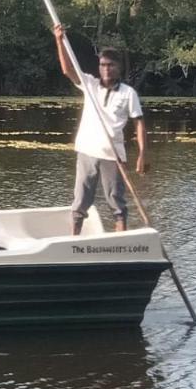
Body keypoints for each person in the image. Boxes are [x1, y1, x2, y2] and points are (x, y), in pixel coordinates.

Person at [53, 23, 146, 235]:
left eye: (111, 65)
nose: (106, 68)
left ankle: (120, 239)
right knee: (81, 200)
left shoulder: (128, 93)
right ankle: (74, 240)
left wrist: (141, 154)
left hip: (112, 155)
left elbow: (139, 123)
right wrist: (59, 40)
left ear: (118, 68)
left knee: (116, 201)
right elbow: (67, 70)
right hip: (87, 150)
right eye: (103, 65)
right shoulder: (90, 85)